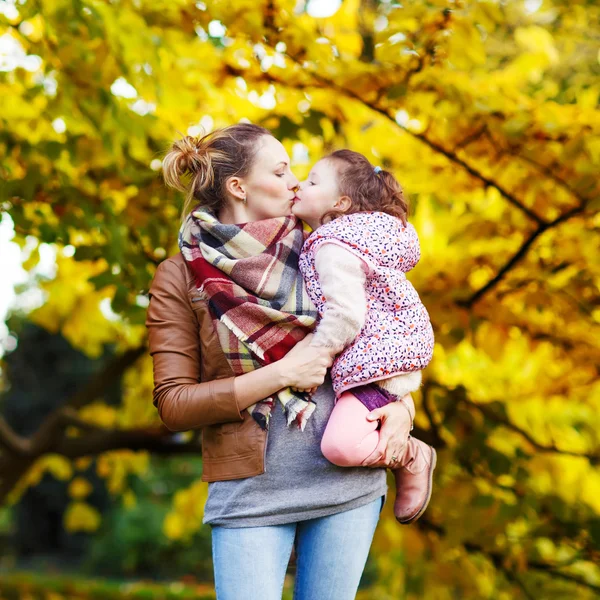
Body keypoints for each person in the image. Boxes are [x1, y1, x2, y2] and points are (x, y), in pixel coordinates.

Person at [146, 124, 413, 600]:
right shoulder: (179, 274)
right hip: (249, 494)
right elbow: (174, 405)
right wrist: (283, 373)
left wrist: (403, 408)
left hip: (345, 484)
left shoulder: (327, 242)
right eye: (281, 169)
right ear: (238, 187)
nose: (295, 182)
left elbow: (394, 329)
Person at [292, 150, 436, 524]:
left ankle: (410, 455)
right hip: (388, 355)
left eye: (311, 182)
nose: (298, 186)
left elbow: (346, 314)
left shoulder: (332, 246)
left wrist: (315, 354)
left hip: (375, 364)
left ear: (339, 203)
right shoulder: (362, 237)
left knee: (339, 445)